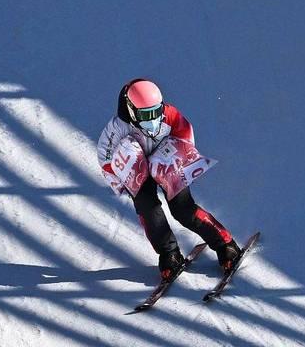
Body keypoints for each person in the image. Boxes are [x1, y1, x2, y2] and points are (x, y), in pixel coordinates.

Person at [97, 78, 241, 280]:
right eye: (146, 115)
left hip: (166, 164)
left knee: (183, 209)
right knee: (149, 211)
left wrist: (177, 157)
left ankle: (225, 244)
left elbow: (185, 133)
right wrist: (121, 180)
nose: (154, 119)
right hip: (138, 174)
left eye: (157, 111)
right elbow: (106, 157)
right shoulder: (116, 130)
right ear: (131, 110)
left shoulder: (169, 114)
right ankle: (169, 254)